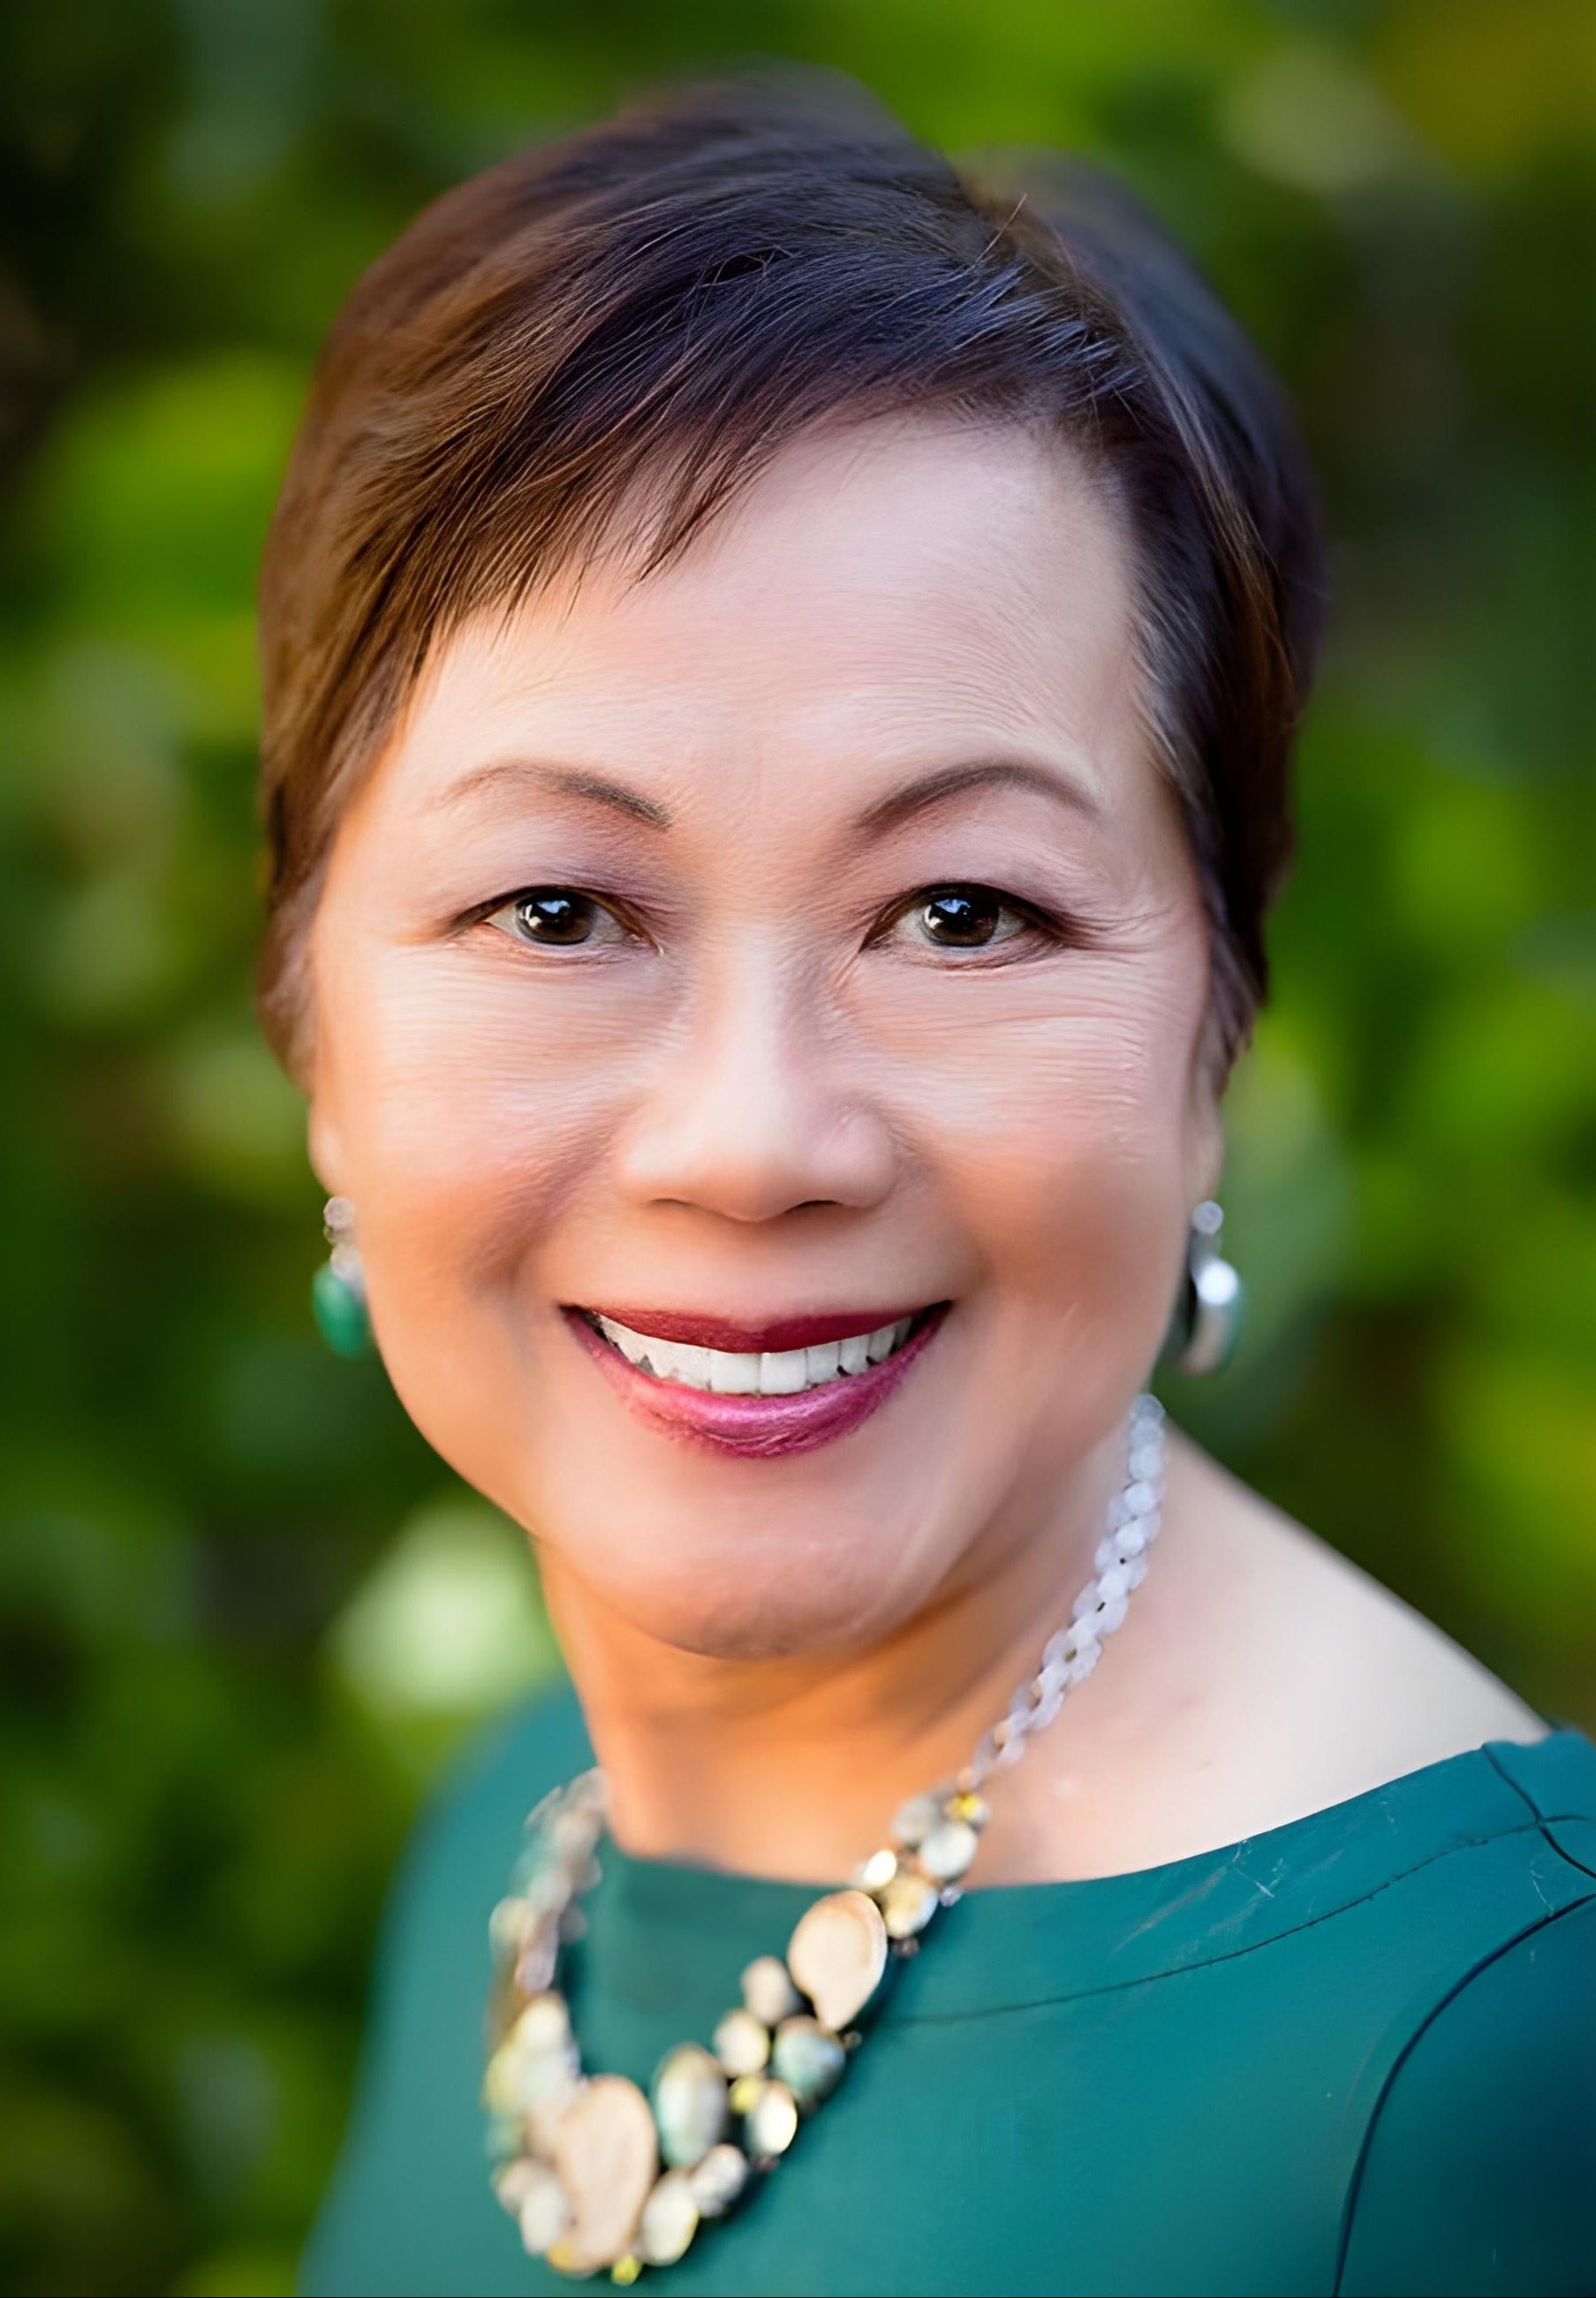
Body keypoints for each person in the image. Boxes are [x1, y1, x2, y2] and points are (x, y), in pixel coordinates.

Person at [261, 68, 1595, 2298]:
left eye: (962, 911)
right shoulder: (526, 1821)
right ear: (310, 1036)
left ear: (1217, 1039)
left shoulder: (1485, 2046)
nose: (755, 1139)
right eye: (562, 911)